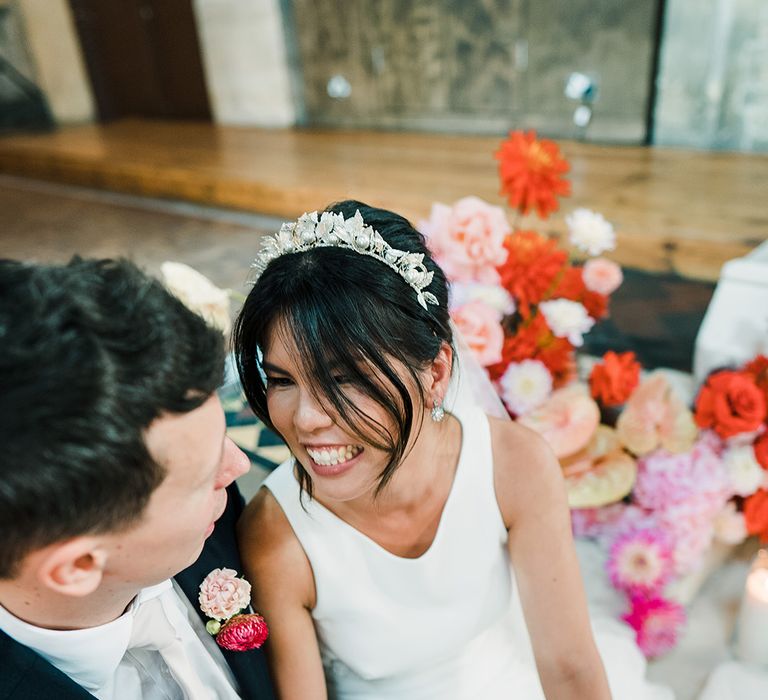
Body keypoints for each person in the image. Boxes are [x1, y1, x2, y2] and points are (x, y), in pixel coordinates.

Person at [234, 201, 673, 699]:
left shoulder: (513, 465)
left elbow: (569, 669)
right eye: (282, 380)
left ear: (436, 373)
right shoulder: (277, 536)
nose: (307, 419)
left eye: (344, 378)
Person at [0, 258, 275, 700]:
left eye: (222, 435)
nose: (239, 467)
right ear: (79, 566)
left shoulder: (219, 521)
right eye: (204, 476)